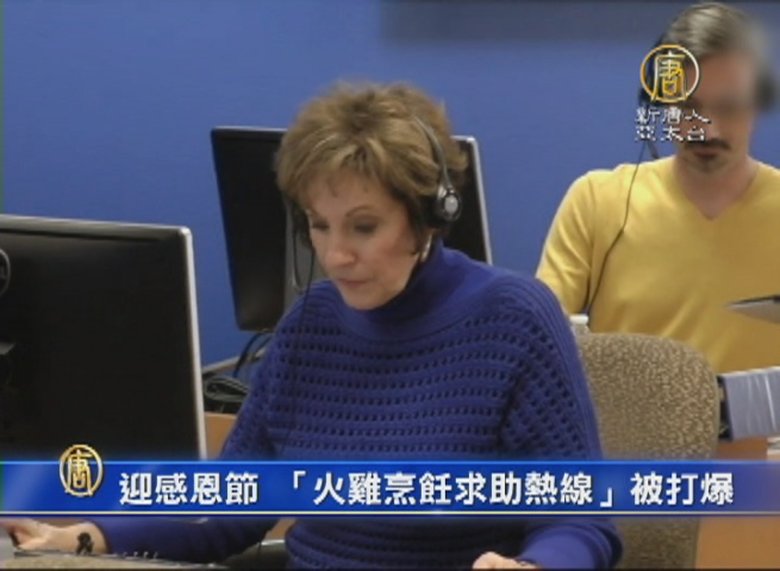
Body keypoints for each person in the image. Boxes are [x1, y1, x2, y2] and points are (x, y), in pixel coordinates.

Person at [2, 83, 621, 569]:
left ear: (430, 217)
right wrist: (84, 536)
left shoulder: (513, 320)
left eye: (363, 226)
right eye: (318, 226)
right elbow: (231, 507)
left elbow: (581, 519)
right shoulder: (310, 327)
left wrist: (536, 565)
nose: (335, 255)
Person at [537, 2, 780, 375]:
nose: (707, 130)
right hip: (625, 416)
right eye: (687, 107)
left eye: (728, 106)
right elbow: (538, 342)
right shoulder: (597, 202)